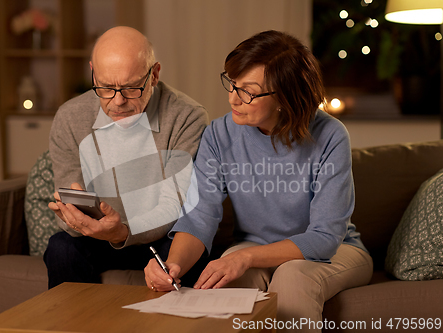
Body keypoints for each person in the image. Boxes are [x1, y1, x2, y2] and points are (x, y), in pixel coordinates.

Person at [144, 30, 373, 332]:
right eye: (232, 84)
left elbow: (325, 236)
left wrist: (247, 256)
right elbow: (199, 217)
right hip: (252, 248)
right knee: (223, 281)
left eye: (247, 92)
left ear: (285, 97)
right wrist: (172, 265)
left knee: (292, 278)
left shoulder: (330, 136)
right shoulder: (218, 135)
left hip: (335, 251)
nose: (232, 98)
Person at [44, 26, 209, 289]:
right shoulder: (69, 117)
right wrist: (74, 217)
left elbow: (175, 207)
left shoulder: (187, 117)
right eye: (106, 87)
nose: (117, 101)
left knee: (188, 252)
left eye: (132, 88)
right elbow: (72, 196)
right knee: (61, 247)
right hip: (99, 238)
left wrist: (122, 230)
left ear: (154, 75)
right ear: (93, 73)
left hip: (163, 237)